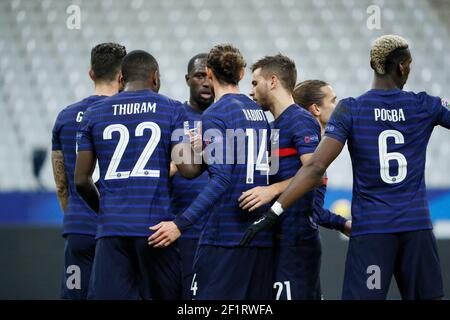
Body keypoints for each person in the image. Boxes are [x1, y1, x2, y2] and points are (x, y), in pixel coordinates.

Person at [241, 35, 449, 300]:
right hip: (416, 227)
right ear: (402, 67)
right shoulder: (425, 105)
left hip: (372, 230)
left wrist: (274, 210)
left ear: (374, 65)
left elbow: (316, 167)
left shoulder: (352, 109)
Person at [74, 50, 202, 300]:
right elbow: (187, 170)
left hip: (112, 230)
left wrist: (105, 210)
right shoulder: (172, 109)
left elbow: (80, 180)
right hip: (156, 230)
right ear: (155, 78)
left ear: (121, 78)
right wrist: (204, 154)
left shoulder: (94, 114)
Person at [149, 44, 273, 300]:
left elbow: (221, 179)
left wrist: (179, 224)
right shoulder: (260, 114)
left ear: (209, 71)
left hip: (224, 236)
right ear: (241, 73)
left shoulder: (216, 114)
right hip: (258, 235)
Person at [239, 55, 340, 300]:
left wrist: (271, 191)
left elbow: (315, 174)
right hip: (278, 236)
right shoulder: (274, 125)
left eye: (254, 83)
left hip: (296, 240)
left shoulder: (301, 120)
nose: (251, 91)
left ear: (272, 81)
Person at [51, 42, 126, 300]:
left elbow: (61, 182)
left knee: (75, 294)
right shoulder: (130, 117)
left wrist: (75, 213)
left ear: (91, 73)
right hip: (119, 229)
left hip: (79, 227)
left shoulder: (65, 117)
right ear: (122, 77)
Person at [170, 53, 214, 300]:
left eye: (210, 76)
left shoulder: (228, 117)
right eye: (199, 76)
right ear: (188, 79)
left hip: (217, 230)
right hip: (179, 228)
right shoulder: (174, 117)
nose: (206, 82)